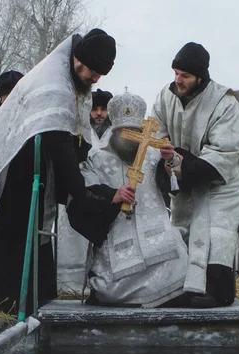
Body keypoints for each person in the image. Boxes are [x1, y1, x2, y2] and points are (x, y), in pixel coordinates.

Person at [0, 29, 116, 313]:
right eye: (94, 71)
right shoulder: (54, 83)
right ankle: (7, 300)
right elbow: (59, 143)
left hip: (35, 164)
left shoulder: (74, 79)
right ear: (78, 59)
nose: (96, 79)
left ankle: (33, 296)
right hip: (15, 166)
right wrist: (81, 194)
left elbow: (73, 139)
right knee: (12, 228)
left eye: (101, 74)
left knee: (31, 228)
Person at [152, 42, 239, 308]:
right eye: (175, 73)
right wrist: (165, 157)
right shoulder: (165, 97)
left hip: (220, 184)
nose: (178, 80)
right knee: (182, 231)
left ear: (200, 76)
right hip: (183, 178)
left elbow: (224, 152)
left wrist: (181, 162)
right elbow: (155, 130)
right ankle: (185, 289)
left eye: (184, 75)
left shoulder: (225, 103)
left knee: (215, 233)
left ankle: (219, 292)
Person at [67, 91, 190, 307]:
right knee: (108, 288)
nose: (130, 136)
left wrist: (170, 161)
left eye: (135, 132)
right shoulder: (97, 157)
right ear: (114, 131)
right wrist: (112, 196)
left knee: (180, 260)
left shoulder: (153, 154)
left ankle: (165, 295)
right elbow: (85, 194)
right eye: (125, 132)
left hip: (155, 228)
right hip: (116, 230)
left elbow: (170, 186)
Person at [56, 87, 113, 293]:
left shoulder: (115, 135)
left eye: (103, 109)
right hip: (81, 189)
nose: (99, 114)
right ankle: (68, 286)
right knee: (74, 237)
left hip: (106, 195)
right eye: (95, 109)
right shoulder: (80, 131)